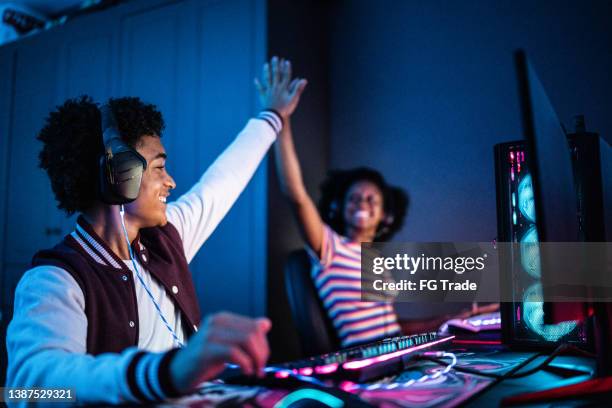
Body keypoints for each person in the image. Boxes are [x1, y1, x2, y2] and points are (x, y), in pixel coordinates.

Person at [6, 57, 306, 405]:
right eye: (160, 168)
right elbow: (27, 387)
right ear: (121, 174)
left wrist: (273, 115)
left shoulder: (166, 237)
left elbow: (223, 180)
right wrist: (165, 371)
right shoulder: (54, 280)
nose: (171, 181)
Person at [274, 109, 497, 348]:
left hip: (395, 352)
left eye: (372, 199)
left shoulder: (373, 261)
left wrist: (452, 319)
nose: (362, 202)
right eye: (354, 198)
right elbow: (296, 195)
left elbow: (394, 329)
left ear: (385, 216)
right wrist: (281, 119)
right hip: (365, 359)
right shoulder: (330, 246)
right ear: (340, 208)